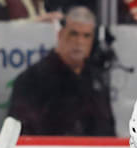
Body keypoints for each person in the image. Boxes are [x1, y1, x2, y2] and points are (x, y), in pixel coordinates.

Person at [7, 5, 114, 136]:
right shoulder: (32, 80)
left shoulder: (96, 81)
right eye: (73, 34)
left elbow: (108, 131)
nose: (79, 41)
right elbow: (23, 134)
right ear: (60, 35)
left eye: (86, 36)